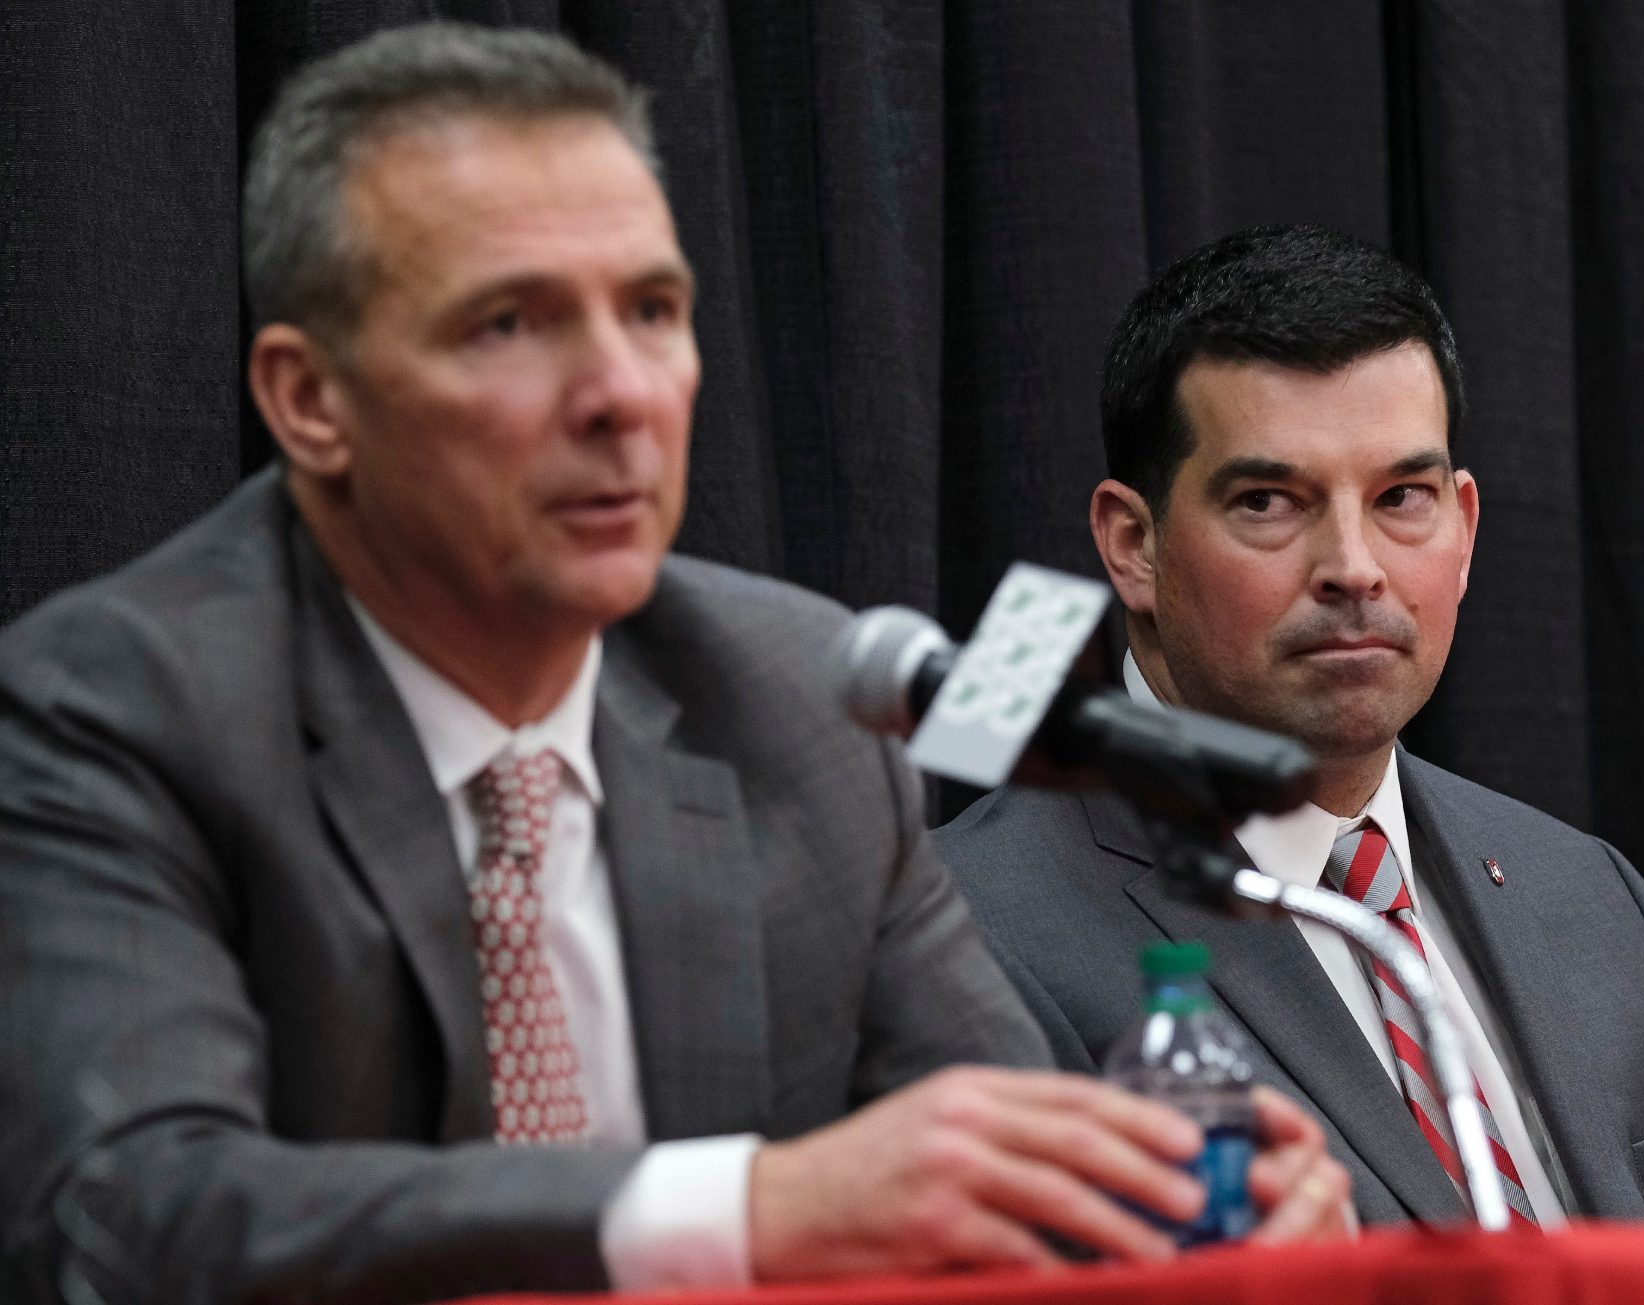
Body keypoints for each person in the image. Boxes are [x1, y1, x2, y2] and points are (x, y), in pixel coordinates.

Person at [0, 28, 1351, 1305]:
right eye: (508, 326)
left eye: (653, 310)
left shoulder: (799, 694)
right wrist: (740, 1208)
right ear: (310, 398)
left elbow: (1001, 1187)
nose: (622, 394)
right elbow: (133, 1211)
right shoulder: (118, 705)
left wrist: (1182, 1200)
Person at [936, 224, 1644, 1230]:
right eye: (1271, 502)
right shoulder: (965, 941)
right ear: (1133, 545)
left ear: (1461, 529)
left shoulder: (1592, 897)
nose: (1354, 566)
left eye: (1401, 498)